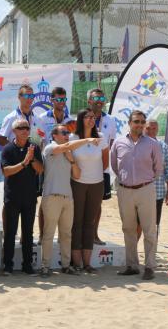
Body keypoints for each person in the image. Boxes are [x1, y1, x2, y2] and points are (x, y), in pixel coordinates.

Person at [111, 110, 162, 281]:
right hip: (125, 191)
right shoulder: (118, 143)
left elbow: (158, 167)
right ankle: (132, 266)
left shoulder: (152, 144)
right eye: (136, 121)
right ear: (129, 123)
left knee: (149, 230)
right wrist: (127, 181)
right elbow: (115, 166)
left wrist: (144, 181)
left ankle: (149, 266)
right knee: (128, 229)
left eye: (142, 122)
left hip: (146, 189)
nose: (140, 125)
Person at [40, 124, 96, 277]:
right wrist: (87, 140)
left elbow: (77, 175)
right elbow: (66, 145)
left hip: (67, 198)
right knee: (49, 233)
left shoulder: (69, 153)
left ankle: (65, 265)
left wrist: (72, 160)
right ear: (54, 136)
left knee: (66, 234)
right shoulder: (50, 148)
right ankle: (45, 266)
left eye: (68, 132)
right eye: (63, 132)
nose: (67, 135)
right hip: (52, 197)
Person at [1, 118, 44, 275]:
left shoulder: (34, 148)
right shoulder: (7, 149)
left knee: (28, 232)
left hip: (29, 197)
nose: (25, 130)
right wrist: (24, 163)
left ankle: (27, 265)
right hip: (12, 197)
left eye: (27, 127)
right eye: (21, 128)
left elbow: (40, 169)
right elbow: (6, 171)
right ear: (14, 131)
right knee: (10, 232)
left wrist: (31, 159)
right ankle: (8, 265)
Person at [70, 109, 108, 274]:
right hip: (77, 184)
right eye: (88, 117)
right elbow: (69, 161)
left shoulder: (101, 138)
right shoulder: (72, 138)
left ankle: (87, 263)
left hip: (96, 184)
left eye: (94, 117)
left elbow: (105, 162)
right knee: (76, 223)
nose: (92, 119)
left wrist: (94, 176)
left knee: (89, 223)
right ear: (81, 119)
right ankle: (76, 263)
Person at [35, 86, 74, 243]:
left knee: (63, 199)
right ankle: (42, 235)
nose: (61, 102)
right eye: (58, 99)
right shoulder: (42, 118)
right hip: (48, 163)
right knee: (46, 199)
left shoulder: (69, 120)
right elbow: (38, 142)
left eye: (63, 99)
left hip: (65, 163)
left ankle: (60, 237)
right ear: (52, 100)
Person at [87, 88, 117, 245]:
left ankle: (94, 234)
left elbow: (111, 144)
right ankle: (79, 234)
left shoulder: (111, 120)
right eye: (96, 98)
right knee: (80, 202)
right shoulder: (82, 117)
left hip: (102, 168)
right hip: (84, 166)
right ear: (89, 101)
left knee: (97, 203)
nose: (99, 101)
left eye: (102, 97)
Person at [136, 119, 168, 240]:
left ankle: (151, 254)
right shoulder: (136, 144)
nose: (151, 131)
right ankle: (132, 254)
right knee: (137, 224)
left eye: (154, 129)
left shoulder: (163, 146)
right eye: (148, 128)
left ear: (157, 130)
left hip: (157, 193)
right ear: (143, 129)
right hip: (138, 192)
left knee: (154, 225)